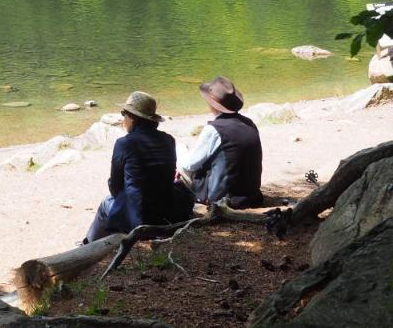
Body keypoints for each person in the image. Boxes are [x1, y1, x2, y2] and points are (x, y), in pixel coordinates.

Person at [85, 91, 190, 243]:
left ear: (133, 118)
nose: (123, 119)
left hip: (138, 217)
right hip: (165, 211)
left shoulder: (124, 143)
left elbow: (115, 187)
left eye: (124, 114)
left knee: (105, 204)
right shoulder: (169, 140)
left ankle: (88, 246)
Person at [178, 76, 264, 208]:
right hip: (252, 195)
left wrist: (180, 152)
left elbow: (190, 165)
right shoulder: (249, 123)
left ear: (212, 105)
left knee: (180, 161)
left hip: (222, 198)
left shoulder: (214, 130)